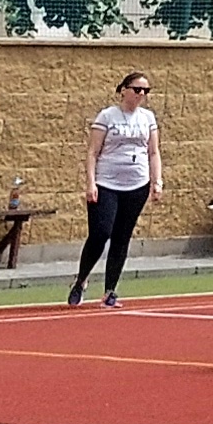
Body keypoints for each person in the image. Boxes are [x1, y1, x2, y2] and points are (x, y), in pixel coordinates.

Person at [65, 68, 161, 306]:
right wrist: (91, 182)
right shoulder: (108, 116)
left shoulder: (147, 118)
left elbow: (153, 152)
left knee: (121, 237)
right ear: (123, 90)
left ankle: (110, 290)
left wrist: (157, 181)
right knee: (100, 233)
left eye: (145, 91)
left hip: (136, 184)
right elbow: (93, 152)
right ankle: (81, 280)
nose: (141, 94)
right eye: (137, 89)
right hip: (107, 183)